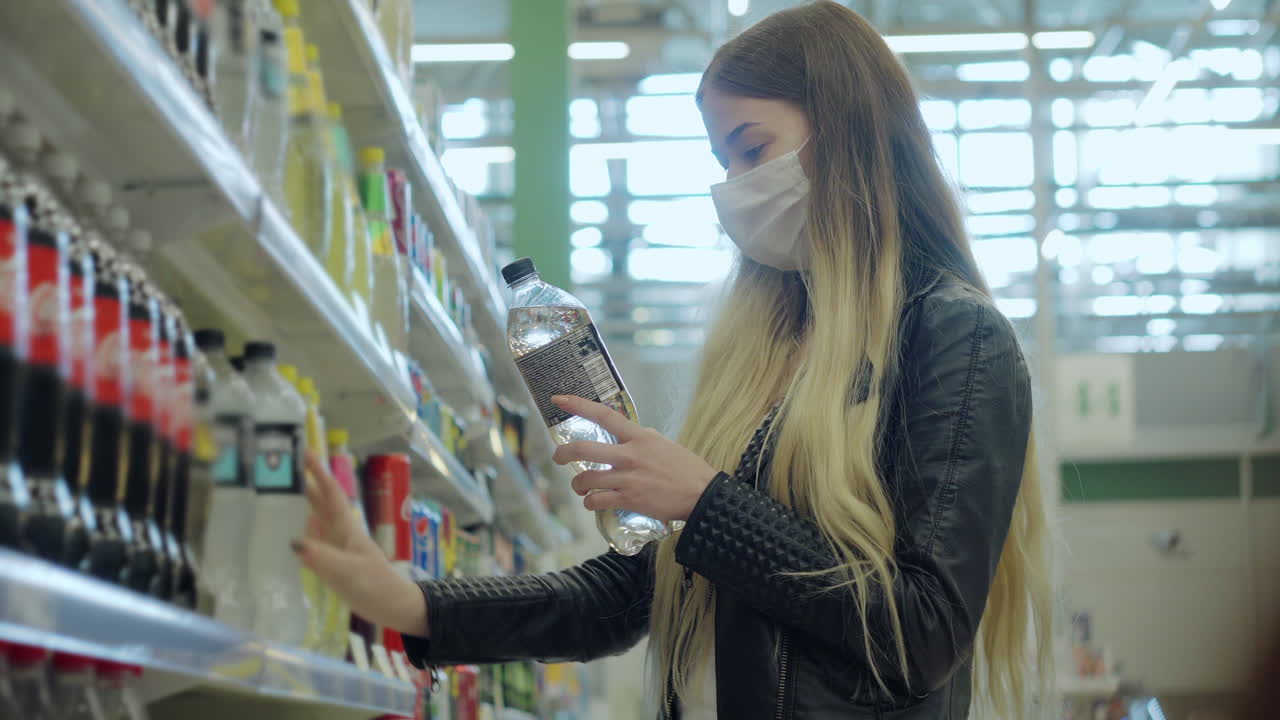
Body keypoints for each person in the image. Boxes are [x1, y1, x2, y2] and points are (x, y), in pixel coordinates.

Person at [294, 2, 1052, 718]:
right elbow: (626, 597)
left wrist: (705, 500)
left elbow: (923, 630)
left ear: (851, 129)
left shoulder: (952, 336)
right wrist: (411, 604)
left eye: (752, 149)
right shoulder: (776, 353)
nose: (734, 187)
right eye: (724, 161)